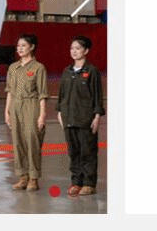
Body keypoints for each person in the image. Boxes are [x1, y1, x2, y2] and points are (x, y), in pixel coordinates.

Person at [57, 35, 105, 196]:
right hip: (69, 118)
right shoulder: (67, 71)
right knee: (73, 152)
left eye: (78, 48)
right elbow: (62, 94)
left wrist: (97, 116)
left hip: (85, 119)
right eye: (72, 48)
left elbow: (97, 95)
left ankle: (89, 183)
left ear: (86, 51)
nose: (74, 51)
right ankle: (76, 182)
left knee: (87, 152)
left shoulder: (91, 71)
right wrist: (59, 111)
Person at [6, 34, 48, 191]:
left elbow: (42, 93)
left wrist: (42, 115)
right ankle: (23, 176)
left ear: (32, 47)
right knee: (18, 141)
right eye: (18, 46)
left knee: (32, 140)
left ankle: (33, 177)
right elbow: (9, 91)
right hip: (15, 105)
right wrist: (7, 111)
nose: (20, 48)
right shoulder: (13, 67)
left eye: (23, 45)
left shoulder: (38, 68)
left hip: (31, 105)